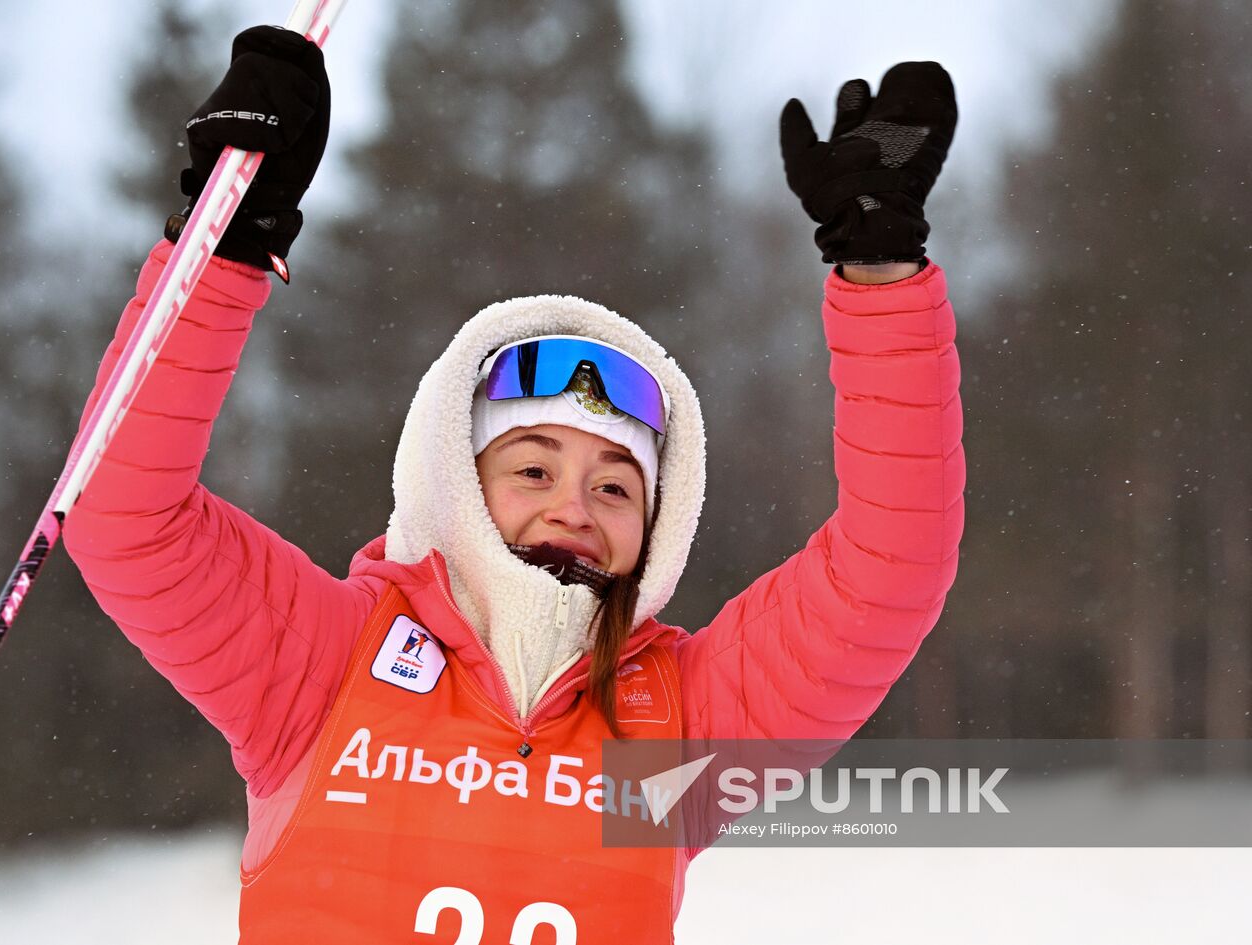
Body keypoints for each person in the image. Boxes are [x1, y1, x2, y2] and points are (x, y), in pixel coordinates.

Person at [64, 25, 963, 944]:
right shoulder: (323, 668)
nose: (574, 505)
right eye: (534, 467)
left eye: (617, 489)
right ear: (456, 477)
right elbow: (124, 515)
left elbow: (889, 570)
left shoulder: (680, 736)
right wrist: (225, 245)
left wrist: (882, 267)